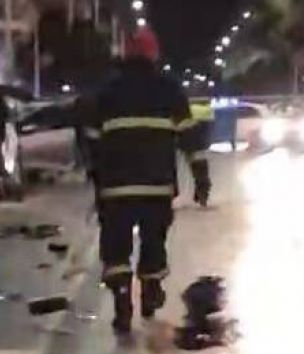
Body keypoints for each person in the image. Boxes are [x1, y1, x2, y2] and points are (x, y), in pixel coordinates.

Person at [87, 28, 211, 334]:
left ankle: (122, 299)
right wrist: (201, 179)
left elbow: (90, 140)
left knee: (116, 247)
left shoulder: (107, 91)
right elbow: (191, 139)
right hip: (157, 186)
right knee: (153, 241)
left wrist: (97, 176)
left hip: (115, 188)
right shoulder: (169, 90)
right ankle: (151, 289)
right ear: (154, 55)